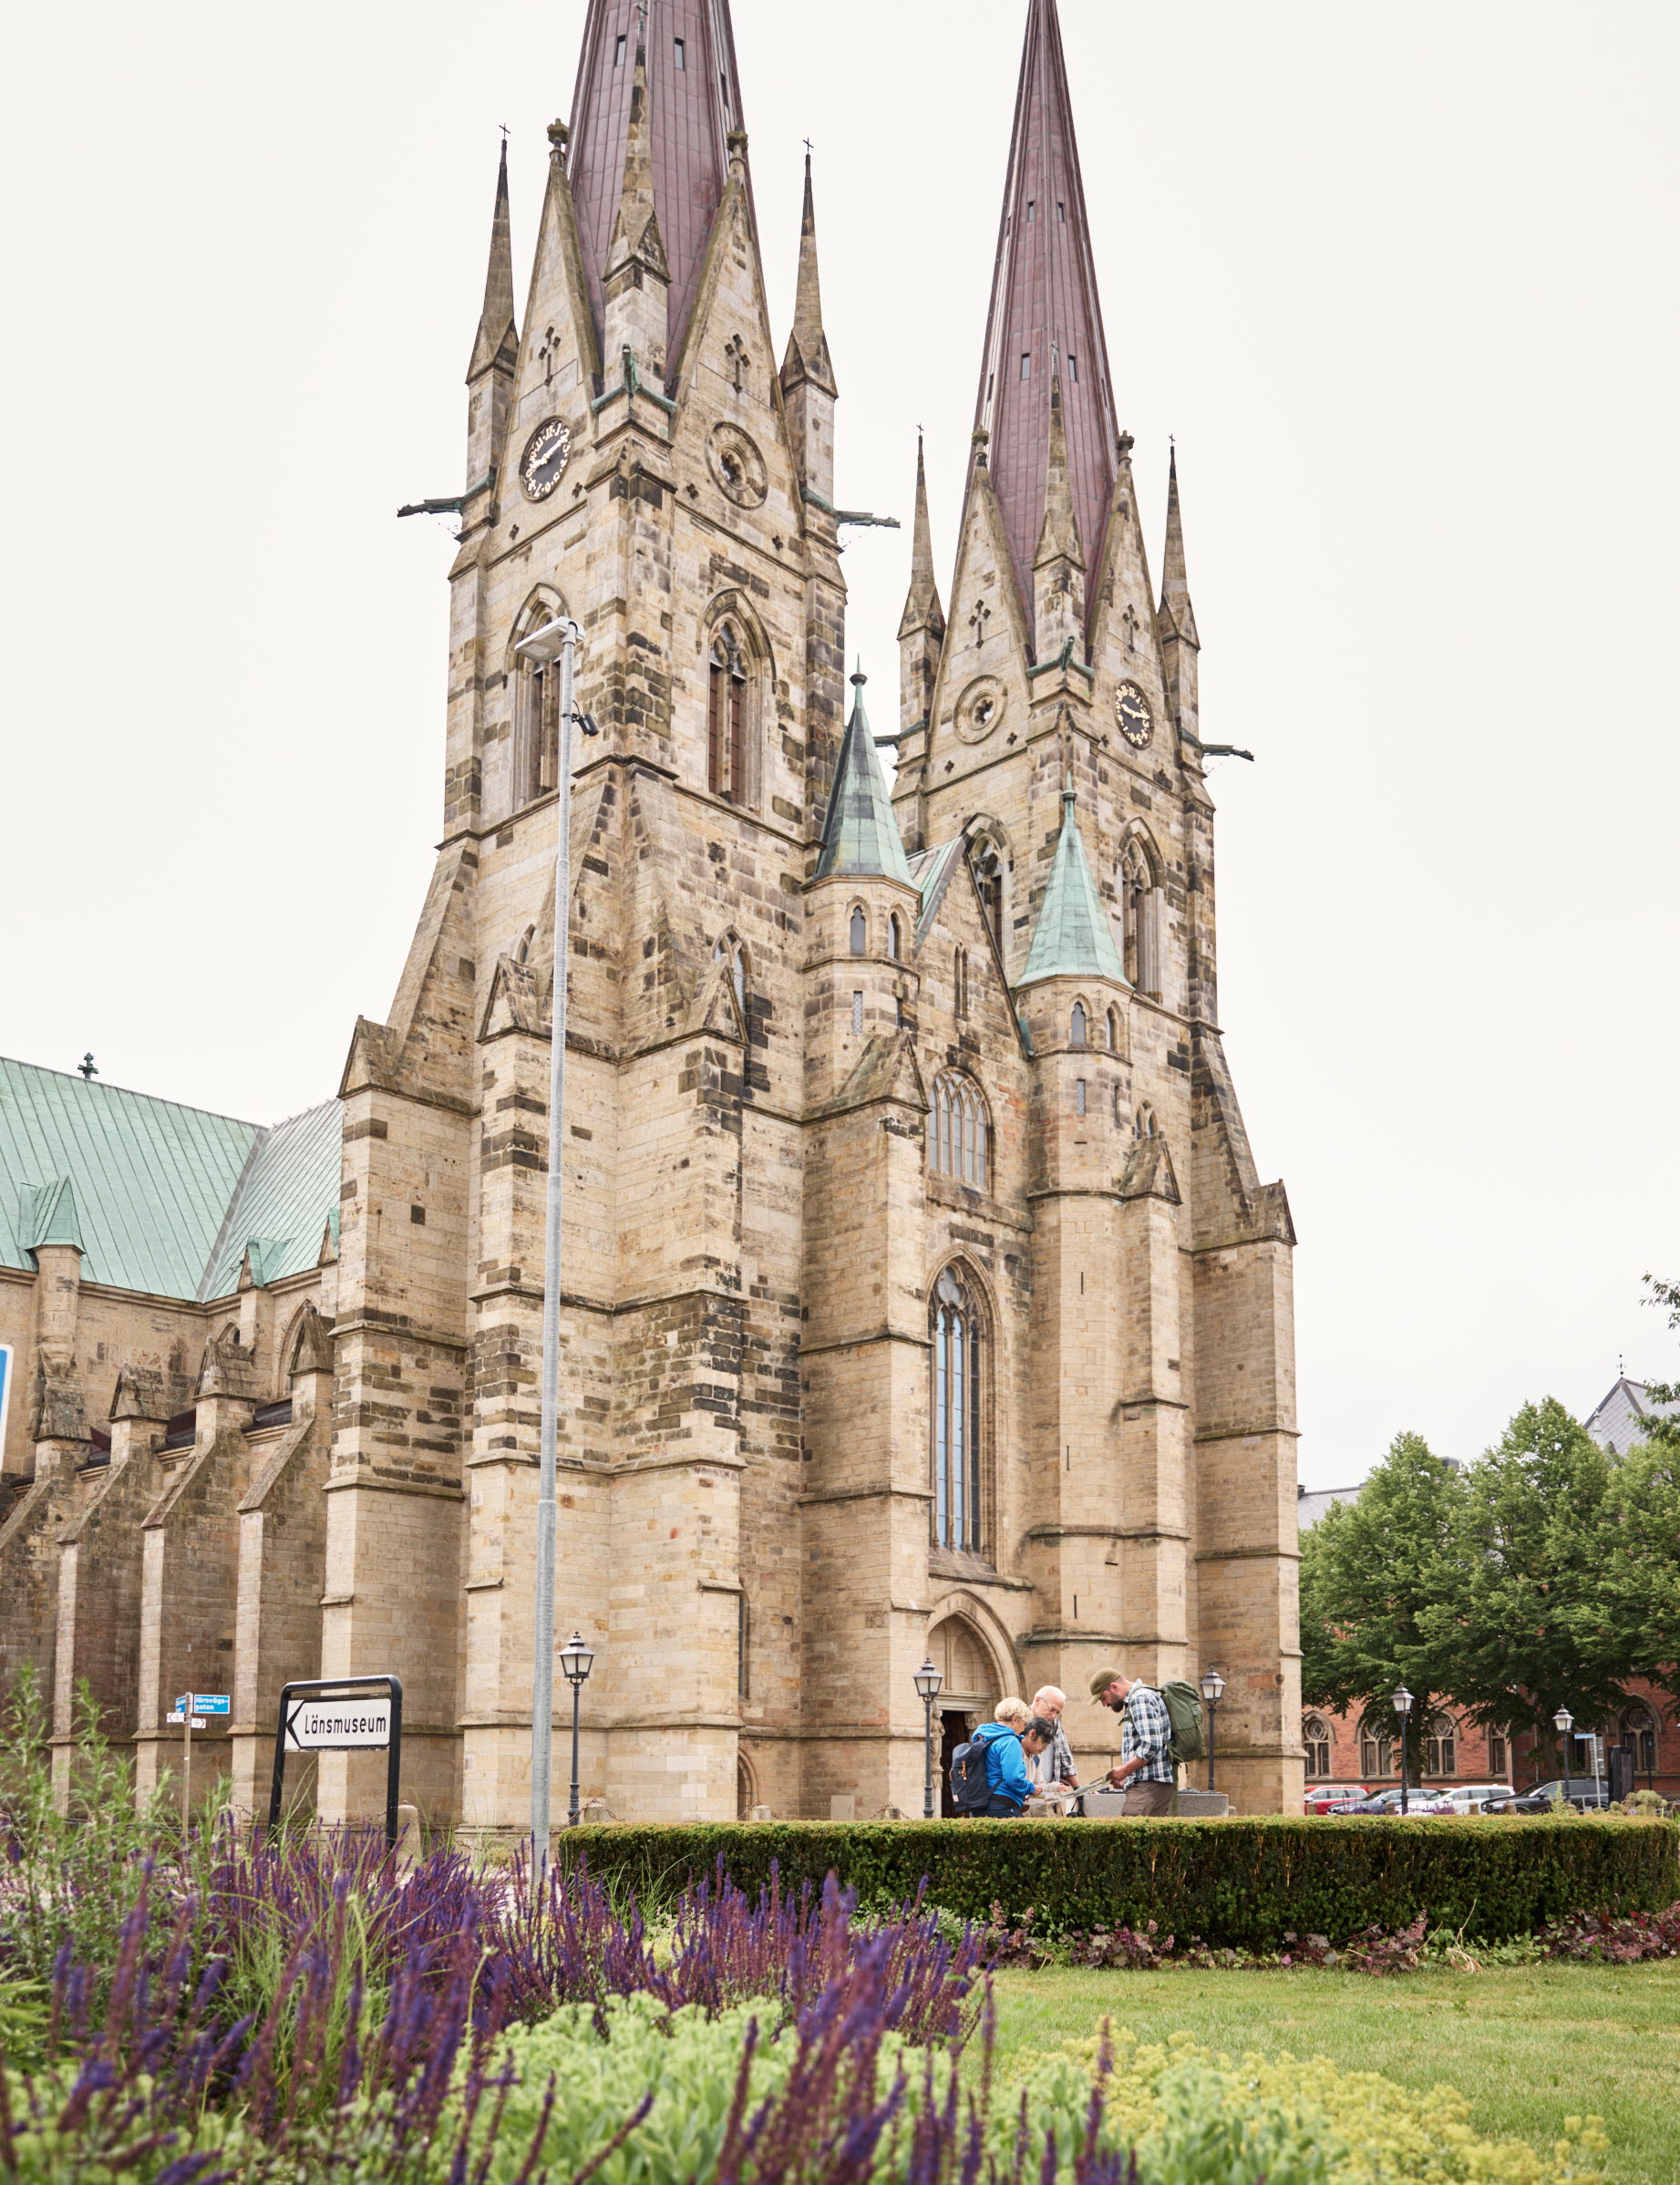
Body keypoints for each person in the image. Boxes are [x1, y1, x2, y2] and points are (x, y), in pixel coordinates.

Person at [1089, 1666, 1175, 1816]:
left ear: (1114, 1687)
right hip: (1152, 1784)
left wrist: (1124, 1770)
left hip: (1148, 1786)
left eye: (1103, 1698)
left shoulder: (1139, 1699)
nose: (1104, 1704)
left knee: (1127, 1835)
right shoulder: (1141, 1697)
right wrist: (1128, 1777)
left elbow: (1151, 1745)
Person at [969, 1697, 1055, 1817]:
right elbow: (1013, 1778)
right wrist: (1031, 1788)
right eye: (1024, 1723)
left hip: (984, 1802)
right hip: (1003, 1805)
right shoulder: (1010, 1741)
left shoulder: (986, 1737)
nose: (1023, 1729)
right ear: (1014, 1720)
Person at [1028, 1685, 1080, 1799]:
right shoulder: (1020, 1721)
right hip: (1024, 1793)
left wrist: (1078, 1789)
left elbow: (1066, 1759)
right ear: (1037, 1700)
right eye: (1051, 1709)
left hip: (1047, 1793)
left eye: (1057, 1712)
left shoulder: (1055, 1724)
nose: (1053, 1715)